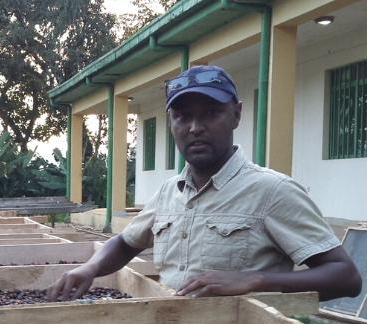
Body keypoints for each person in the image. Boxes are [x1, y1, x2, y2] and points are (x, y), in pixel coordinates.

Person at [47, 65, 362, 303]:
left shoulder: (273, 192)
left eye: (211, 113)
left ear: (235, 115)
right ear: (171, 123)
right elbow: (126, 242)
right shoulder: (169, 192)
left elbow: (346, 277)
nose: (195, 127)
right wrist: (90, 268)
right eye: (183, 116)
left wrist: (253, 280)